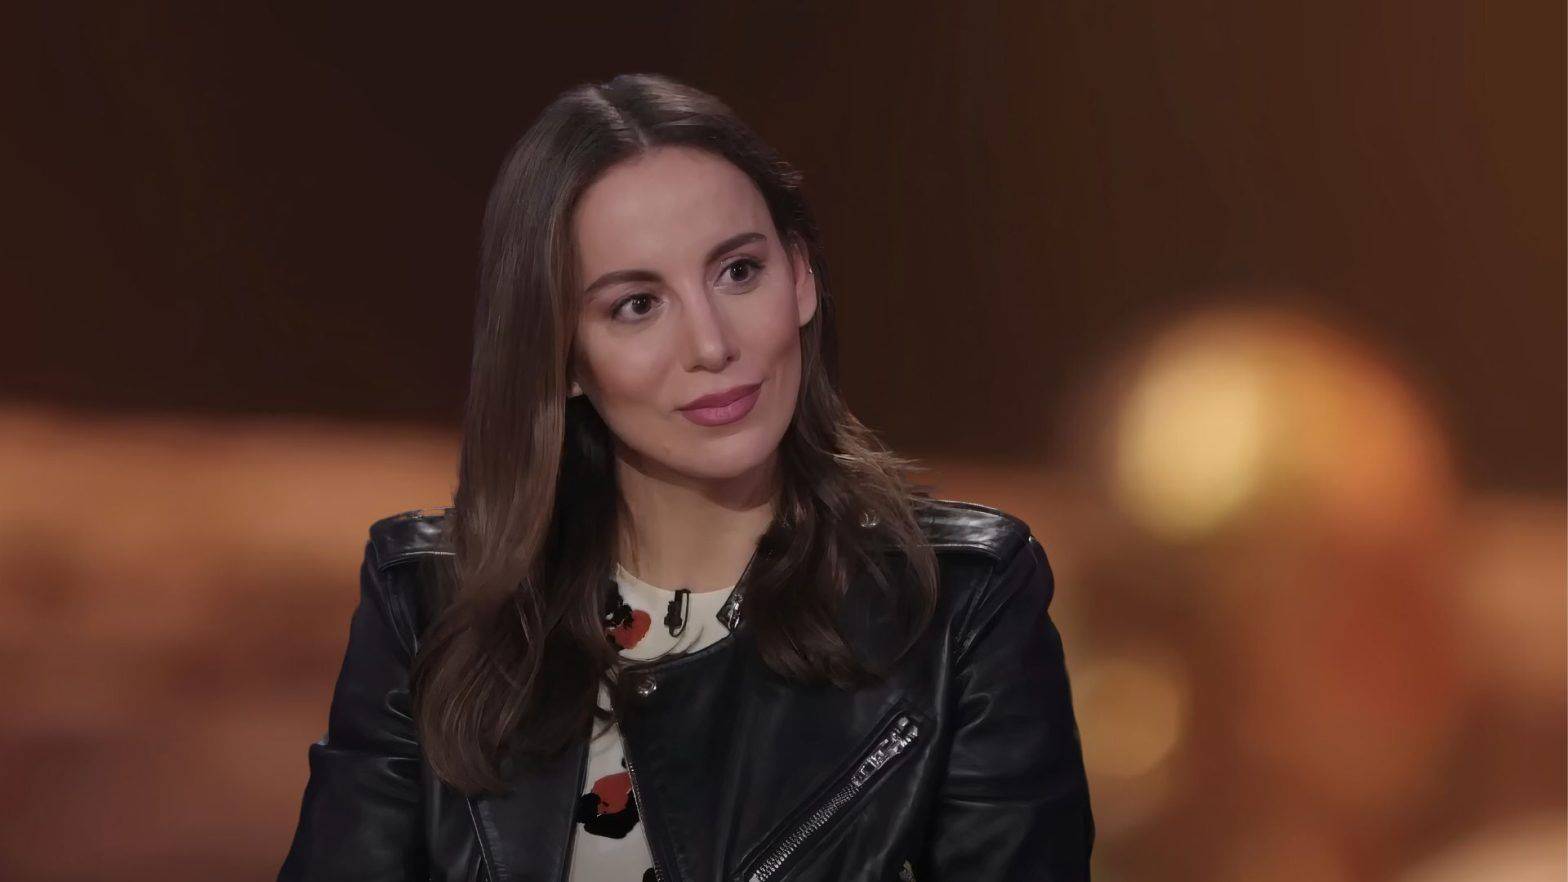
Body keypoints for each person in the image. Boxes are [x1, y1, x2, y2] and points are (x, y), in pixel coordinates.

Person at [278, 73, 1094, 882]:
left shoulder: (958, 602)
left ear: (801, 277)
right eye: (637, 304)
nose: (711, 344)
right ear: (562, 354)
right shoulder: (432, 601)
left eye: (738, 272)